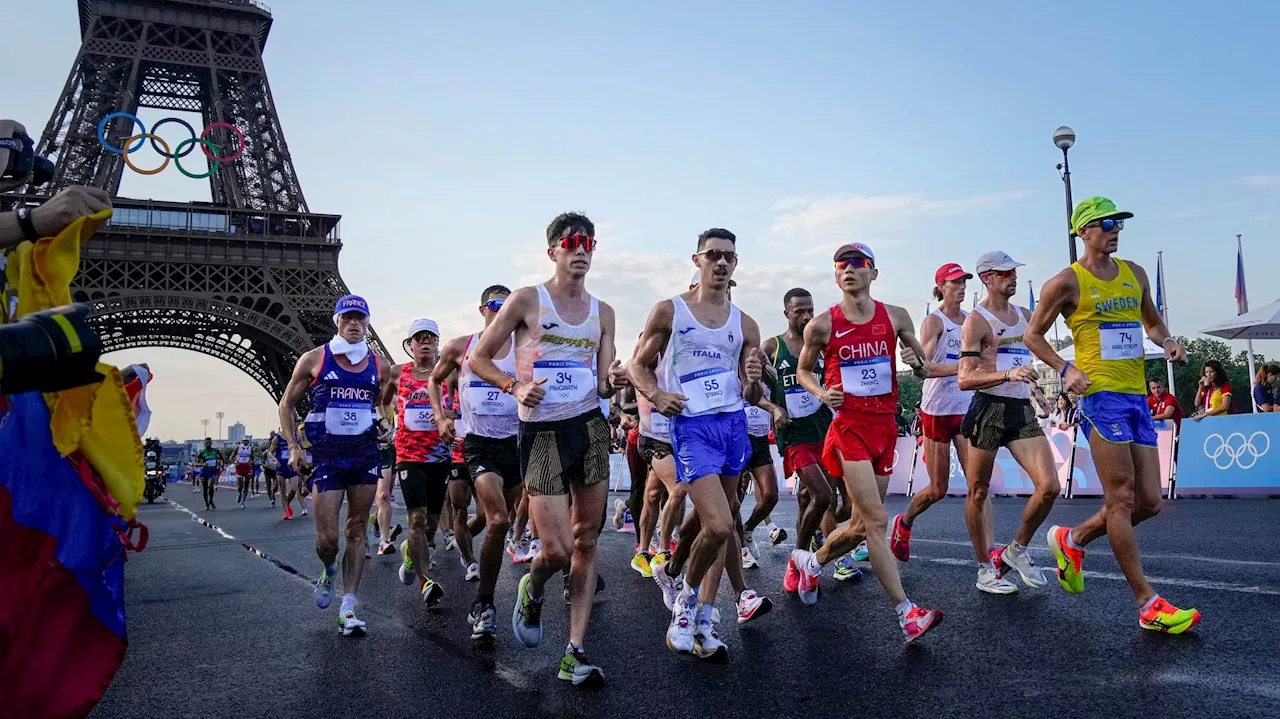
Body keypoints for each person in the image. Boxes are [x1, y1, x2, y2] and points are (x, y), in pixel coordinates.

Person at [467, 211, 627, 686]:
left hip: (590, 428)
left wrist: (612, 380)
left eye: (588, 243)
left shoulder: (604, 312)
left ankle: (574, 651)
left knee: (587, 539)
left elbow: (601, 384)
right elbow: (479, 358)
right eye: (571, 242)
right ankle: (532, 589)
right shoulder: (527, 299)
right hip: (541, 433)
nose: (581, 249)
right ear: (553, 250)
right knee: (555, 550)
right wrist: (514, 386)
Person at [1027, 196, 1199, 634]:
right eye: (1105, 223)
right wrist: (1065, 369)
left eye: (1119, 222)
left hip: (1137, 397)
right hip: (1100, 397)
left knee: (1150, 503)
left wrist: (1167, 342)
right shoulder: (1066, 282)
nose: (1115, 229)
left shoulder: (1134, 274)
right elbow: (1033, 335)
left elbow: (1152, 322)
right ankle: (1148, 603)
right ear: (1083, 231)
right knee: (1120, 499)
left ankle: (1074, 539)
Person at [630, 228, 772, 660]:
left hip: (732, 425)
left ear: (736, 263)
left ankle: (707, 620)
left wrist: (752, 378)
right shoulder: (671, 311)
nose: (722, 263)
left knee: (723, 521)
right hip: (691, 426)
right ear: (697, 259)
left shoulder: (745, 323)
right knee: (720, 525)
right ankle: (685, 608)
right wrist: (656, 396)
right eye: (714, 255)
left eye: (729, 256)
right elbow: (638, 364)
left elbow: (750, 394)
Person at [794, 241, 942, 641]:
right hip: (849, 428)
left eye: (858, 263)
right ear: (835, 274)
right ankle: (906, 613)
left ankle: (812, 562)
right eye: (841, 264)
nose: (848, 269)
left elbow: (924, 367)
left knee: (861, 526)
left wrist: (918, 364)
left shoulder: (895, 317)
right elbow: (804, 372)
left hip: (885, 428)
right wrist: (822, 393)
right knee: (878, 521)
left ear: (873, 272)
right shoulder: (822, 324)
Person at [277, 294, 394, 637]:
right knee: (328, 539)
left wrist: (384, 423)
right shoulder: (314, 359)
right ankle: (329, 569)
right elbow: (286, 405)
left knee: (356, 529)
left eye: (360, 318)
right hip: (327, 456)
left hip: (364, 454)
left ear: (368, 323)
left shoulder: (379, 365)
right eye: (348, 318)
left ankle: (349, 605)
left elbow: (379, 406)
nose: (354, 324)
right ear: (337, 322)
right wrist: (293, 447)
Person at [953, 251, 1059, 595]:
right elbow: (964, 379)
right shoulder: (977, 321)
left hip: (1020, 409)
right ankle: (985, 568)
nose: (1012, 277)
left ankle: (1016, 550)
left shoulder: (1026, 316)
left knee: (1050, 486)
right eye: (1004, 273)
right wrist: (1007, 374)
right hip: (988, 409)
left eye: (1014, 272)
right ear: (987, 278)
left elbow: (1027, 361)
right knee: (979, 491)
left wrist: (1037, 391)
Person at [431, 285, 527, 642]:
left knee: (493, 519)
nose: (502, 312)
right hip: (478, 445)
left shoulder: (524, 350)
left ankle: (464, 539)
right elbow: (434, 380)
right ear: (482, 309)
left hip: (516, 445)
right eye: (495, 306)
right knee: (500, 520)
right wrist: (442, 417)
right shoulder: (462, 346)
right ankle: (484, 603)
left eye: (508, 307)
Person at [759, 288, 851, 583]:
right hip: (793, 433)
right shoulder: (772, 347)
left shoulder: (822, 346)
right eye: (799, 311)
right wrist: (774, 408)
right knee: (822, 495)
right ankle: (799, 558)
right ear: (787, 313)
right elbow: (750, 392)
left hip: (823, 429)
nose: (807, 316)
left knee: (807, 498)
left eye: (810, 310)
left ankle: (810, 546)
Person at [889, 263, 977, 564]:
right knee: (939, 489)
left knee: (978, 483)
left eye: (964, 282)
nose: (962, 287)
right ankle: (905, 522)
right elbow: (923, 369)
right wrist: (962, 369)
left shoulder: (971, 320)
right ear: (941, 287)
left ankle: (987, 553)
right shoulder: (933, 322)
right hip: (937, 410)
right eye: (955, 283)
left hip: (965, 409)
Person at [385, 319, 452, 609]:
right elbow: (381, 401)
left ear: (438, 342)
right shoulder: (396, 373)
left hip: (440, 455)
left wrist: (442, 411)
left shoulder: (447, 374)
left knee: (432, 525)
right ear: (410, 344)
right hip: (408, 455)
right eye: (419, 338)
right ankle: (426, 582)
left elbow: (462, 405)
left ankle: (411, 554)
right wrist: (384, 422)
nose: (425, 343)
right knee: (417, 518)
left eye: (430, 338)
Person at [195, 438, 222, 511]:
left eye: (210, 442)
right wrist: (203, 464)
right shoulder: (202, 453)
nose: (208, 444)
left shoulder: (216, 451)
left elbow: (222, 459)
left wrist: (220, 465)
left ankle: (211, 500)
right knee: (205, 489)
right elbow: (196, 464)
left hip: (212, 472)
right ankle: (207, 504)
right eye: (207, 442)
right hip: (204, 472)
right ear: (204, 444)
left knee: (211, 486)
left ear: (211, 443)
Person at [233, 437, 253, 509]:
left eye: (247, 441)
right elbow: (231, 457)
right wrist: (234, 463)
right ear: (242, 441)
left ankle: (243, 502)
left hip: (247, 467)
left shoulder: (251, 448)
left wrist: (252, 461)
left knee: (247, 485)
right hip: (240, 467)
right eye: (244, 441)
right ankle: (239, 494)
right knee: (240, 486)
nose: (246, 442)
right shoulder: (238, 448)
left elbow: (254, 457)